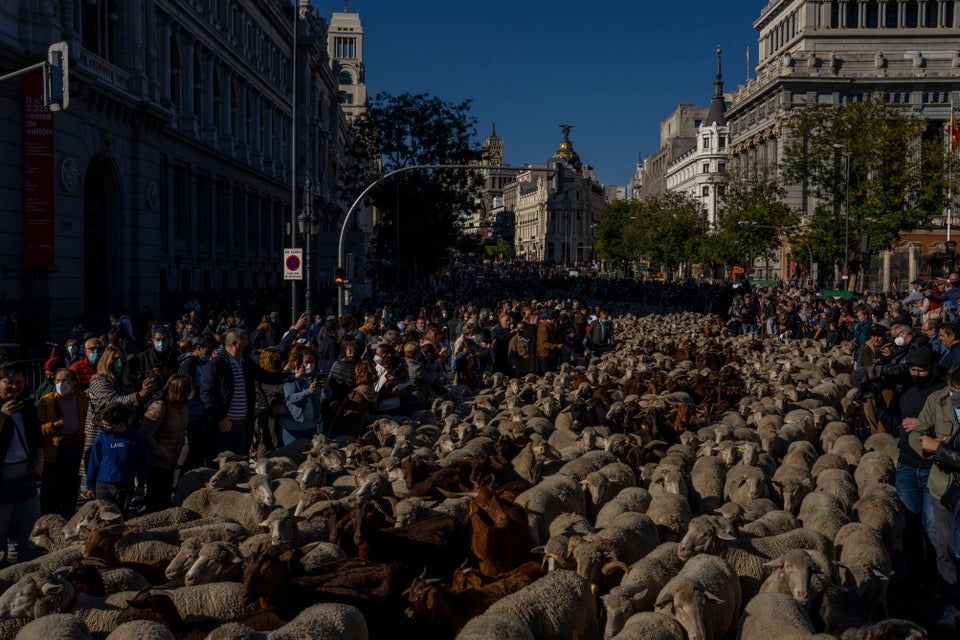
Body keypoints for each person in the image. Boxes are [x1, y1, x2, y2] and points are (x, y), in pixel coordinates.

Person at [874, 347, 944, 594]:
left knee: (932, 527)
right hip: (906, 465)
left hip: (934, 467)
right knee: (911, 525)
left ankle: (938, 578)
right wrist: (877, 403)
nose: (916, 374)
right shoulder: (906, 390)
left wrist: (924, 425)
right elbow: (895, 424)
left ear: (932, 368)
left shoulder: (942, 393)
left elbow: (953, 430)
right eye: (913, 369)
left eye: (921, 369)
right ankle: (916, 575)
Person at [199, 329, 289, 465]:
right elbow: (206, 394)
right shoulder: (216, 364)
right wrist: (220, 418)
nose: (248, 345)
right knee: (221, 467)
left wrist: (292, 376)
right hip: (224, 427)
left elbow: (265, 376)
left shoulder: (246, 362)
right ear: (236, 344)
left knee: (241, 466)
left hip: (243, 425)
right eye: (245, 342)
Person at [84, 345, 157, 484]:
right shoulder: (98, 380)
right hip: (103, 432)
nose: (119, 362)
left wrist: (146, 391)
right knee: (101, 470)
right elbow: (113, 402)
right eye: (115, 359)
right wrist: (139, 395)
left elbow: (133, 403)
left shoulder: (125, 380)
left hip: (124, 432)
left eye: (122, 359)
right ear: (107, 360)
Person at [0, 360, 43, 565]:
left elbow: (36, 436)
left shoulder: (27, 405)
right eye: (9, 382)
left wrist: (40, 459)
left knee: (30, 531)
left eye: (19, 382)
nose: (15, 387)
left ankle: (26, 573)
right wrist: (2, 417)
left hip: (26, 471)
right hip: (2, 474)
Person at [36, 368, 87, 518]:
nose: (61, 384)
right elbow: (35, 430)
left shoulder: (83, 399)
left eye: (65, 380)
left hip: (74, 450)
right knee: (50, 493)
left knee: (70, 491)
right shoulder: (46, 400)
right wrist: (52, 427)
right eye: (58, 380)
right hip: (53, 453)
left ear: (74, 382)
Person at [85, 403, 149, 518]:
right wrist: (90, 485)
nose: (105, 428)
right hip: (103, 485)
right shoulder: (101, 438)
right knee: (101, 517)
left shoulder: (135, 437)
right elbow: (93, 462)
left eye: (108, 426)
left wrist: (141, 484)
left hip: (124, 486)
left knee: (120, 518)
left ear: (120, 424)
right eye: (103, 425)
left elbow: (142, 463)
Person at [140, 374, 192, 512]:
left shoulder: (183, 405)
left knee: (166, 498)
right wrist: (161, 452)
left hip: (173, 458)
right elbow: (145, 434)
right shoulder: (160, 405)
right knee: (155, 499)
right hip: (157, 460)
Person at [177, 336, 215, 473]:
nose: (209, 354)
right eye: (207, 350)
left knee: (199, 451)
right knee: (193, 451)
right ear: (198, 348)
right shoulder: (188, 364)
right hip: (192, 413)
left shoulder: (203, 363)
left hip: (202, 412)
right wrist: (206, 388)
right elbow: (189, 388)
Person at [280, 347, 326, 443]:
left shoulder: (316, 375)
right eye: (307, 362)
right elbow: (291, 398)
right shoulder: (291, 377)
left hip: (311, 426)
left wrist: (325, 389)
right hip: (293, 426)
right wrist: (308, 392)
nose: (310, 365)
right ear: (298, 362)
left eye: (312, 362)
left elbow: (326, 396)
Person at [329, 361, 378, 439]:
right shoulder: (370, 391)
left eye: (356, 372)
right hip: (358, 430)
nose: (354, 374)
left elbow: (350, 416)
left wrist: (336, 430)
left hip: (346, 434)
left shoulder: (357, 394)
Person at [253, 347, 287, 457]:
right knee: (267, 441)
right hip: (267, 413)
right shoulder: (264, 376)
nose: (278, 361)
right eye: (274, 359)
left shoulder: (279, 373)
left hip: (278, 412)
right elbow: (272, 390)